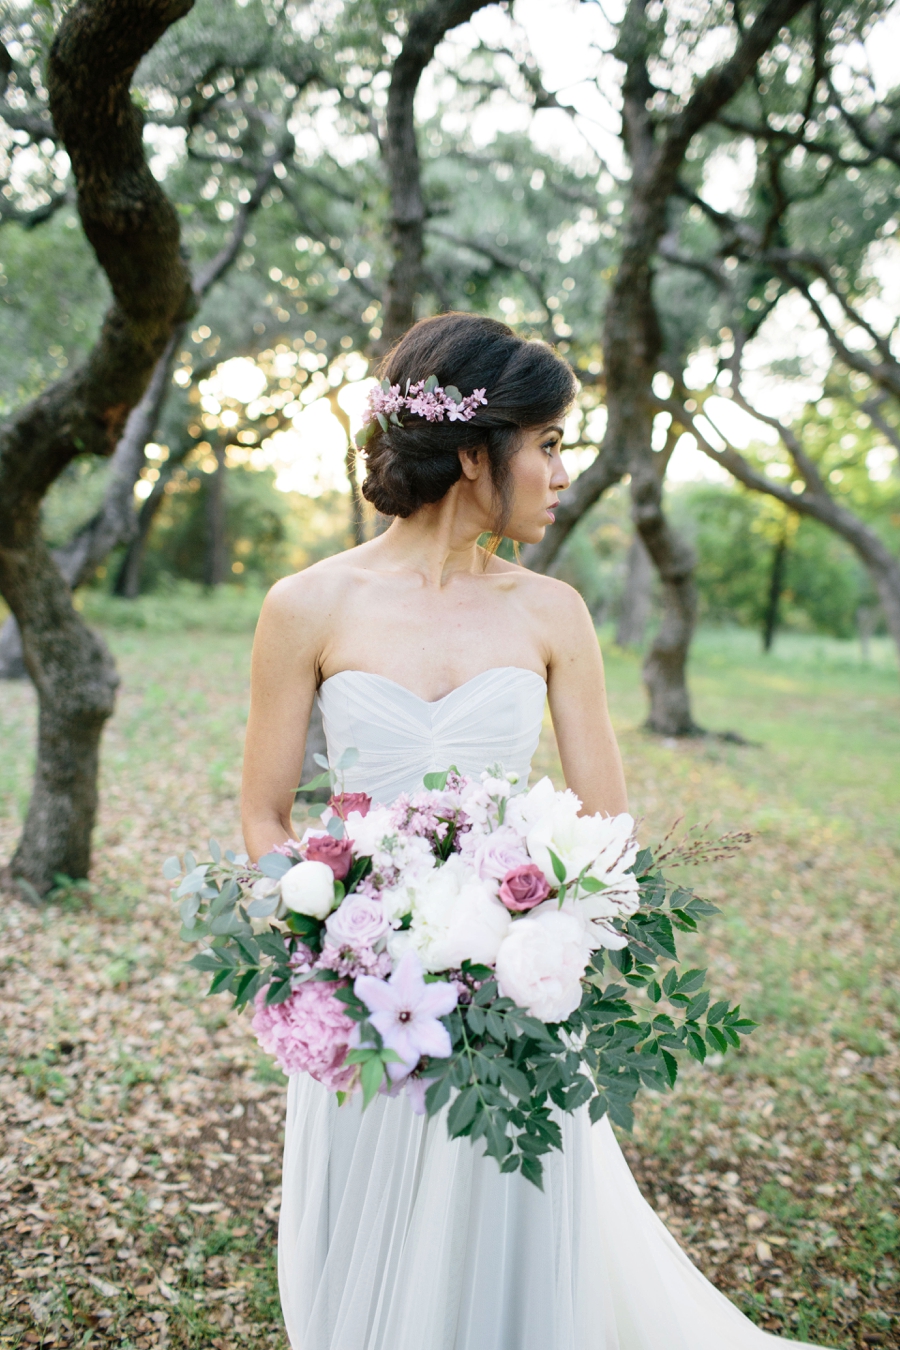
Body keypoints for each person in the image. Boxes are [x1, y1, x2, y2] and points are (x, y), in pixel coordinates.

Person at [241, 313, 828, 1350]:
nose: (564, 472)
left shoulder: (554, 613)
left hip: (518, 1005)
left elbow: (606, 830)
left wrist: (542, 936)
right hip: (371, 1002)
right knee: (366, 1263)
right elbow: (263, 810)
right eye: (549, 443)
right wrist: (327, 945)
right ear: (476, 453)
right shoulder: (306, 603)